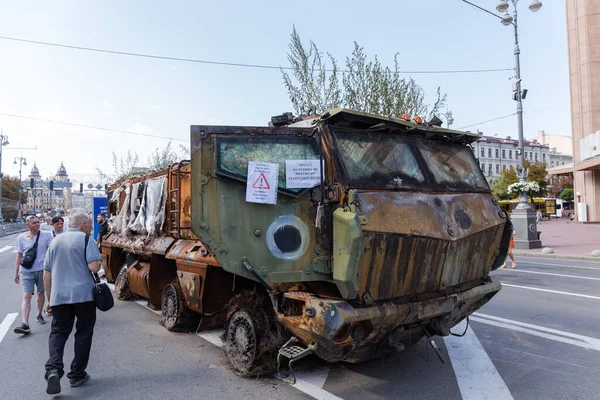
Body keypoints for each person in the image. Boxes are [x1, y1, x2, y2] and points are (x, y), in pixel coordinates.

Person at [43, 212, 102, 395]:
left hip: (59, 296)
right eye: (90, 224)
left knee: (58, 333)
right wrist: (99, 260)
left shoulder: (55, 241)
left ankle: (53, 369)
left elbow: (47, 273)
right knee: (83, 334)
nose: (91, 227)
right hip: (84, 296)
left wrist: (49, 299)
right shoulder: (86, 239)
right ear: (83, 224)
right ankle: (77, 374)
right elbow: (94, 267)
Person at [14, 215, 54, 334]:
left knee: (41, 293)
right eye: (34, 223)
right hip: (26, 270)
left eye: (38, 222)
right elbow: (19, 256)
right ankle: (25, 324)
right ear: (27, 225)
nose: (37, 224)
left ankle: (39, 314)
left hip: (42, 269)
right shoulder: (21, 238)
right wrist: (16, 273)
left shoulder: (47, 235)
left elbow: (52, 251)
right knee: (26, 295)